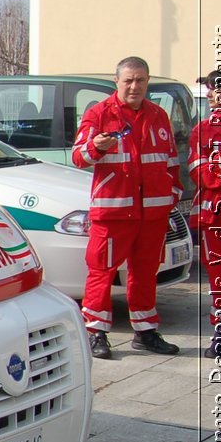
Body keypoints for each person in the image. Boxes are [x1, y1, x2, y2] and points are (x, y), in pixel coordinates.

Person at [71, 56, 182, 358]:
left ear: (147, 82)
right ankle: (95, 332)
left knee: (145, 273)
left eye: (141, 80)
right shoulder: (99, 114)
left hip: (152, 216)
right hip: (114, 213)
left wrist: (172, 193)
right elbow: (78, 156)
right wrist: (96, 147)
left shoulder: (158, 115)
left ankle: (145, 332)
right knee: (101, 273)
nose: (135, 86)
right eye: (129, 80)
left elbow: (171, 162)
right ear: (117, 81)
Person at [188, 67, 221, 329]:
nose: (209, 96)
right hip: (214, 218)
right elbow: (200, 173)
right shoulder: (202, 131)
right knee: (219, 279)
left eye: (214, 90)